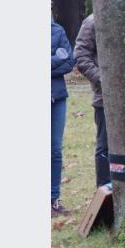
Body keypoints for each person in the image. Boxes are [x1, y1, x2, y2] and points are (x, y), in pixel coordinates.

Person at [74, 14, 111, 189]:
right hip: (104, 98)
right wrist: (102, 79)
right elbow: (81, 56)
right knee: (105, 145)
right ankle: (103, 189)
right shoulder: (92, 21)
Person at [52, 18, 75, 217]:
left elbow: (69, 62)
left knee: (55, 149)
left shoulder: (57, 30)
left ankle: (53, 199)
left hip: (57, 97)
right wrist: (54, 58)